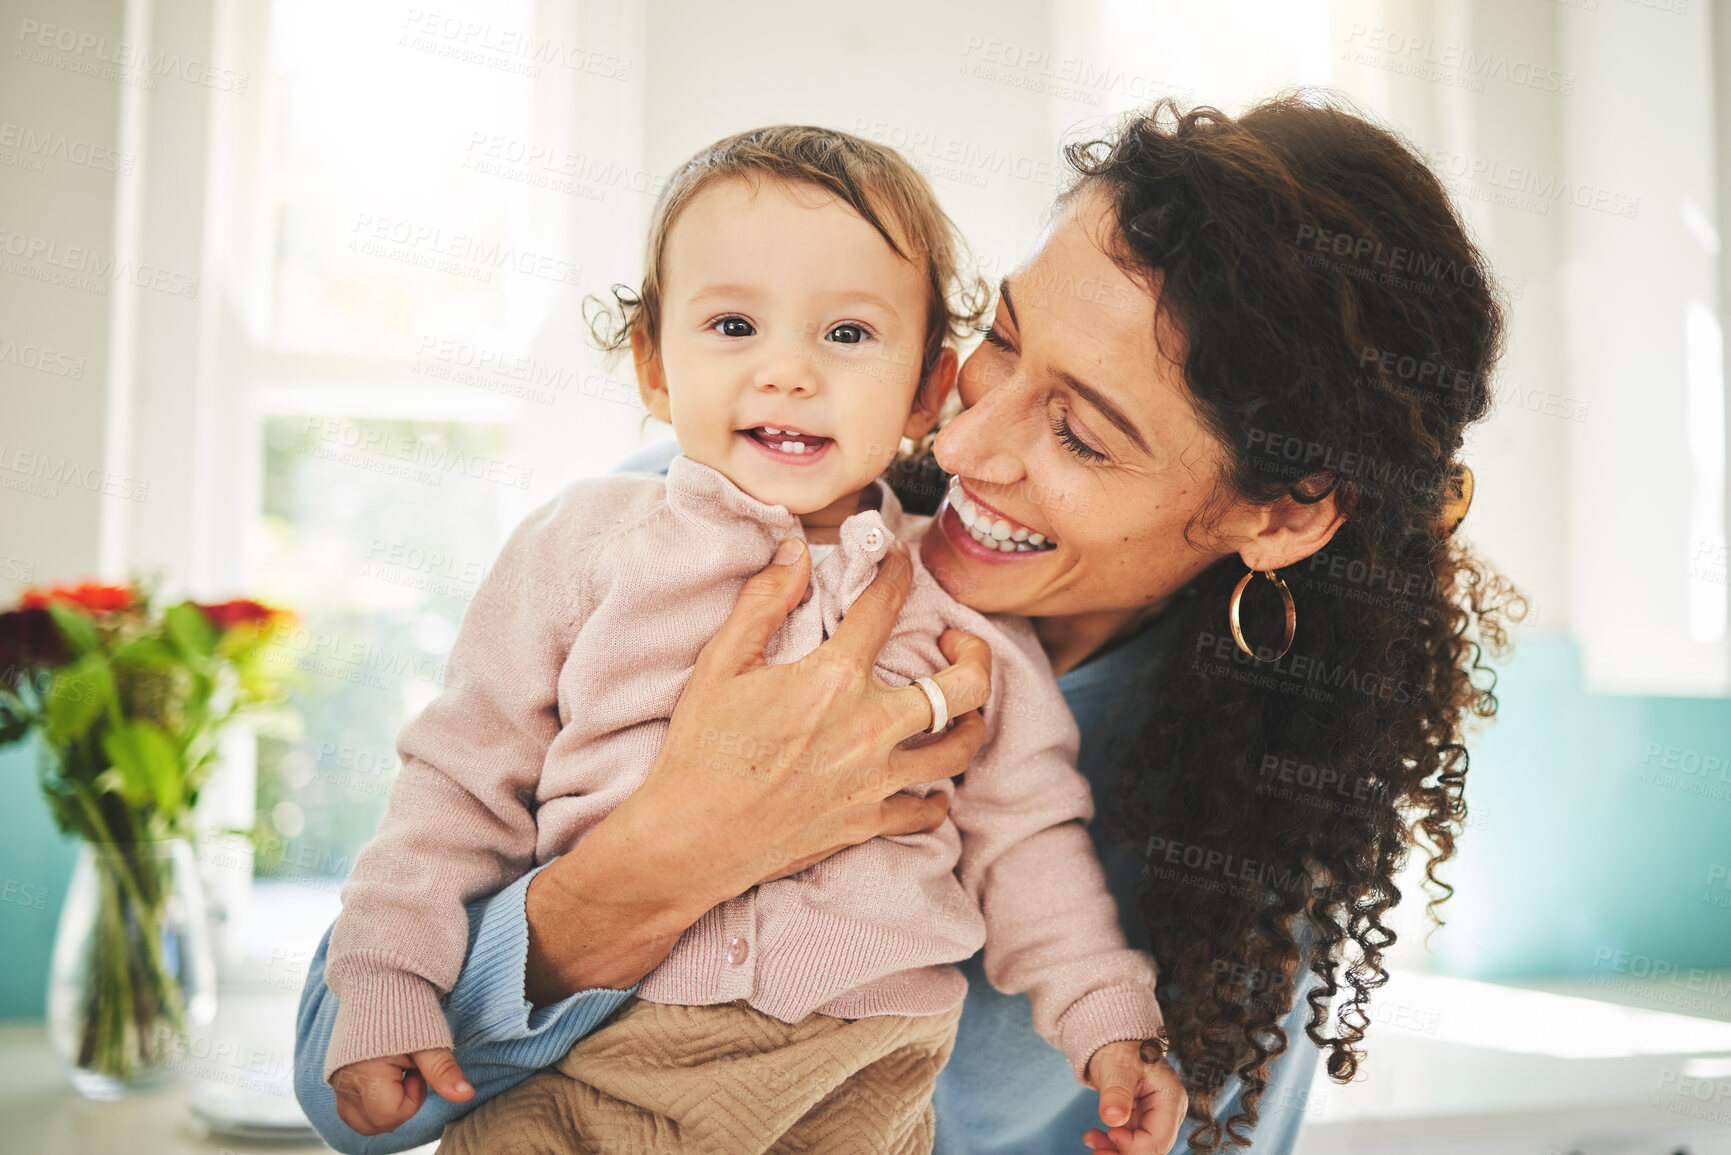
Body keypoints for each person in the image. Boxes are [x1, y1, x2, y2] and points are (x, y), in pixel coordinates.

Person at [294, 95, 1517, 1154]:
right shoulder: (680, 525)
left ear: (1283, 514)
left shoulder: (1264, 819)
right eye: (1000, 339)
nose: (966, 444)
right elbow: (354, 1092)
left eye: (1083, 433)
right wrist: (662, 860)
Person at [308, 124, 1181, 1155]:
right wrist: (383, 981)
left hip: (862, 1075)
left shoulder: (961, 621)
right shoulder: (586, 548)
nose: (787, 373)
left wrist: (1108, 1019)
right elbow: (454, 785)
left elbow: (1031, 842)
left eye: (846, 335)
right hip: (599, 1066)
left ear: (922, 392)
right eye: (732, 325)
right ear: (653, 365)